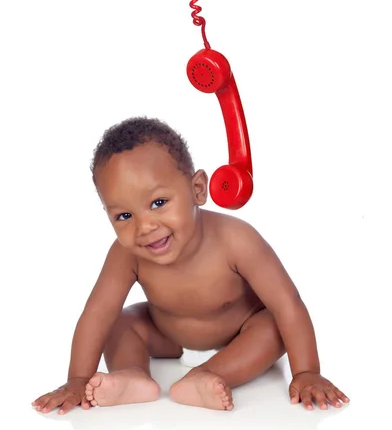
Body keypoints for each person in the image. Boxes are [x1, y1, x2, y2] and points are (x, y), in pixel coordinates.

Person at [32, 117, 350, 414]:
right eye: (124, 216)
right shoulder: (125, 254)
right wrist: (77, 379)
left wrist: (307, 372)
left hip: (239, 336)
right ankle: (132, 374)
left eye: (158, 203)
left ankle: (207, 375)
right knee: (118, 321)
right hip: (169, 336)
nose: (144, 227)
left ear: (197, 189)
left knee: (273, 327)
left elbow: (286, 303)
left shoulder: (237, 240)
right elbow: (97, 313)